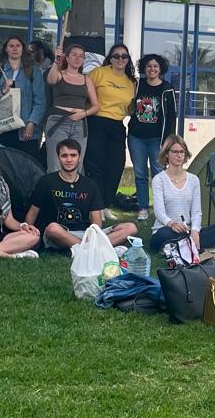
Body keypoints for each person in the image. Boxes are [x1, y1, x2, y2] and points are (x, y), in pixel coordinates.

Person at [26, 139, 138, 252]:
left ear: (79, 157)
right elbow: (33, 212)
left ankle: (85, 250)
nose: (69, 159)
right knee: (52, 228)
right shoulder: (46, 181)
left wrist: (94, 234)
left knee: (130, 228)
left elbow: (96, 221)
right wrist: (26, 232)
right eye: (64, 156)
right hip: (60, 233)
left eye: (73, 155)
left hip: (86, 234)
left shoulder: (90, 184)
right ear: (58, 157)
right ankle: (97, 250)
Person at [129, 53, 180, 221]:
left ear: (160, 69)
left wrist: (169, 140)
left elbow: (171, 116)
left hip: (157, 138)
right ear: (144, 68)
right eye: (149, 66)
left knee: (159, 174)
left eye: (155, 66)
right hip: (136, 137)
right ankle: (143, 208)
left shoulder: (167, 88)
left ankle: (161, 210)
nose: (152, 69)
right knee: (140, 174)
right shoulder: (137, 85)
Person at [86, 43, 137, 208]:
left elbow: (130, 110)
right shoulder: (99, 73)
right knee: (95, 165)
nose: (120, 59)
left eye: (124, 56)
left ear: (128, 60)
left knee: (115, 166)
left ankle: (106, 204)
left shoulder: (131, 82)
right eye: (116, 56)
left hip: (117, 125)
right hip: (97, 122)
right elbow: (84, 94)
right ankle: (96, 206)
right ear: (110, 58)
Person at [43, 41, 99, 171]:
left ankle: (73, 191)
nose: (78, 58)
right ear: (66, 58)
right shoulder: (60, 74)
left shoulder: (86, 79)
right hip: (58, 121)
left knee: (76, 165)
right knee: (56, 163)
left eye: (81, 56)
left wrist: (83, 114)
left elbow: (96, 106)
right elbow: (50, 80)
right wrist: (56, 61)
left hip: (79, 123)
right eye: (74, 55)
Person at [148, 134, 202, 265]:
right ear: (166, 154)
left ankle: (186, 243)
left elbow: (196, 212)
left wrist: (195, 230)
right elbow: (159, 212)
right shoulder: (159, 180)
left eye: (182, 152)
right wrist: (172, 224)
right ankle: (186, 244)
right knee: (164, 234)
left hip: (186, 229)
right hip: (166, 229)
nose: (179, 155)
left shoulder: (194, 180)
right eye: (175, 152)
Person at [0, 33, 46, 153]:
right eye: (11, 46)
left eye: (18, 45)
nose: (15, 48)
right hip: (2, 127)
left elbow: (40, 101)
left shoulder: (34, 71)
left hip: (25, 127)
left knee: (26, 167)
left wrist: (32, 122)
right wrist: (2, 91)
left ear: (23, 48)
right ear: (6, 49)